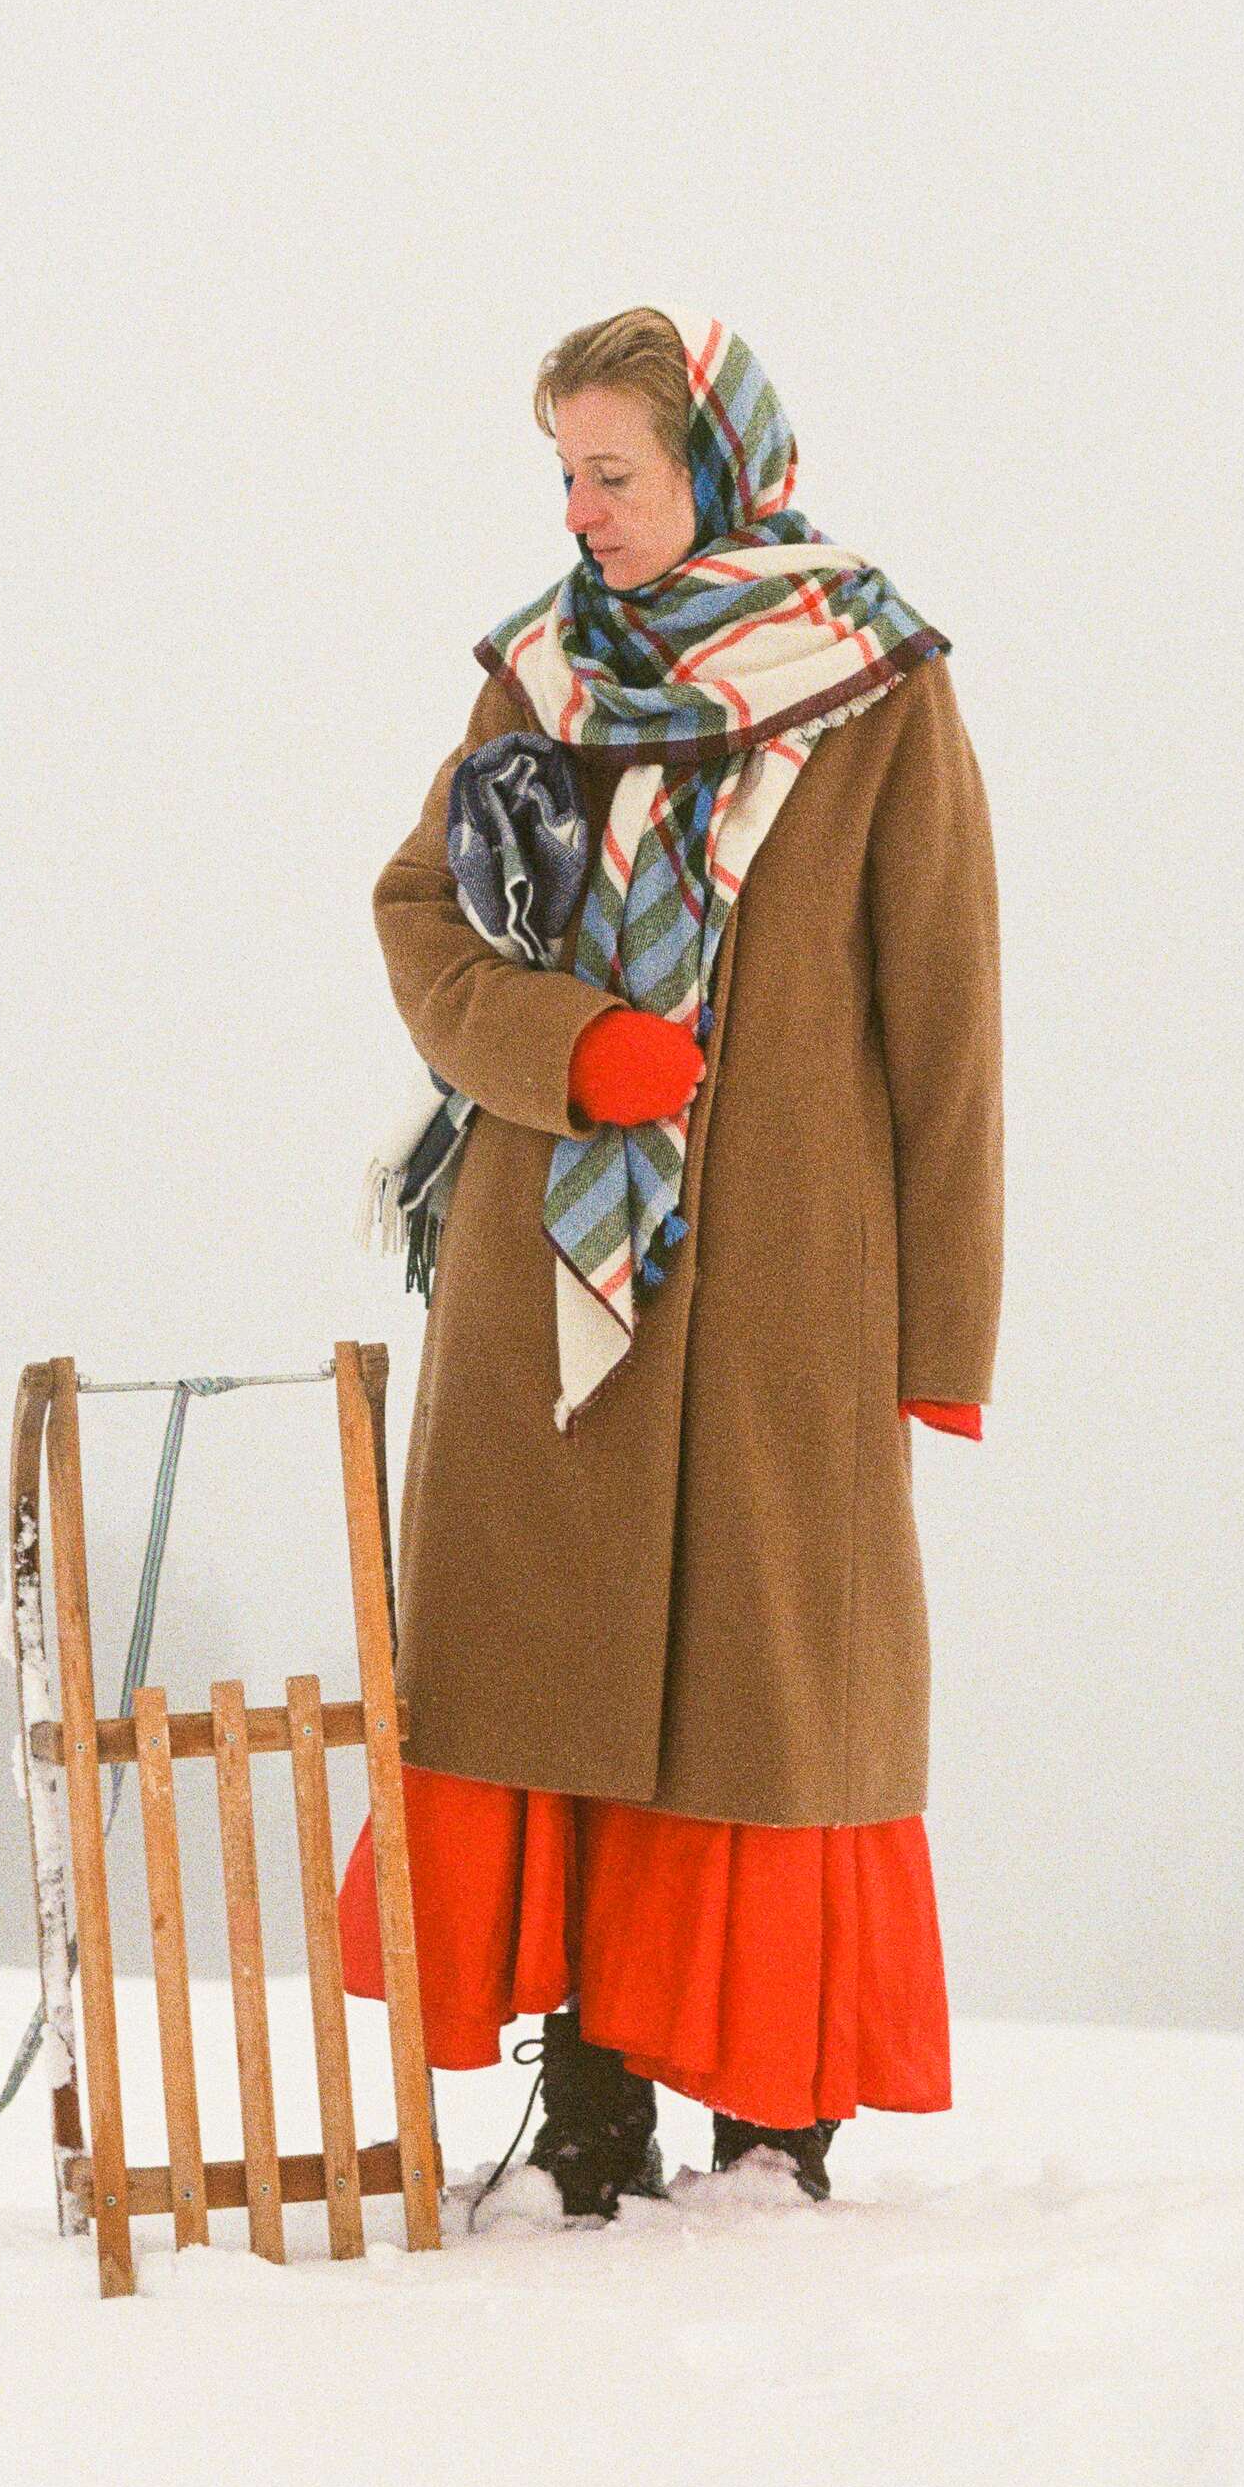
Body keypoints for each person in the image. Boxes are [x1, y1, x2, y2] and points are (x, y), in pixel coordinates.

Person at [338, 303, 1003, 2220]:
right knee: (542, 1665)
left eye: (613, 472)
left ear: (715, 463)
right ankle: (594, 2084)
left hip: (788, 1281)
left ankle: (776, 2104)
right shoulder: (536, 680)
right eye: (563, 473)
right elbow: (423, 928)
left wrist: (942, 1324)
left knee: (766, 1676)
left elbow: (943, 1022)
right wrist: (565, 1052)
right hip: (544, 1266)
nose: (583, 511)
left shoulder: (875, 683)